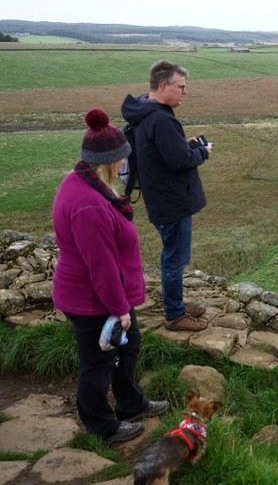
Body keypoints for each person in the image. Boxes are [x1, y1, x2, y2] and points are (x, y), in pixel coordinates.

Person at [52, 108, 170, 443]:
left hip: (103, 295)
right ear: (107, 161)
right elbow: (100, 267)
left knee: (128, 348)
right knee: (98, 364)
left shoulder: (84, 183)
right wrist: (119, 309)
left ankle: (131, 404)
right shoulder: (89, 205)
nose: (124, 165)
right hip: (93, 300)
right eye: (121, 160)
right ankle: (101, 427)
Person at [121, 60, 212, 331]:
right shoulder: (160, 118)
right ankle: (174, 315)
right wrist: (202, 153)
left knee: (171, 254)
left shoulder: (144, 111)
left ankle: (176, 302)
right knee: (175, 258)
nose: (185, 92)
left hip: (159, 196)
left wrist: (182, 145)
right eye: (181, 87)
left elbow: (162, 152)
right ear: (164, 85)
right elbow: (178, 161)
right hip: (172, 201)